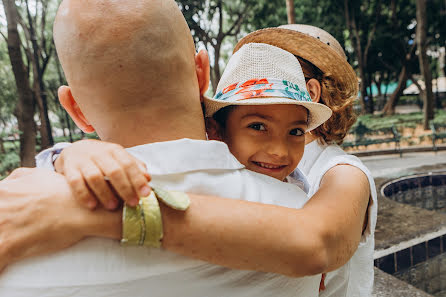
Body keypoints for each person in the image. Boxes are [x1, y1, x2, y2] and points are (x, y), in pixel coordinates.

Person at [0, 1, 361, 296]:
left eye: (295, 130)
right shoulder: (295, 211)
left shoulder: (18, 212)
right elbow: (316, 248)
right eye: (257, 126)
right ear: (202, 75)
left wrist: (88, 209)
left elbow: (318, 243)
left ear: (75, 109)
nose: (279, 151)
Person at [233, 24, 378, 297]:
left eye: (273, 67)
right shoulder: (248, 160)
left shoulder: (343, 172)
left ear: (310, 93)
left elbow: (317, 245)